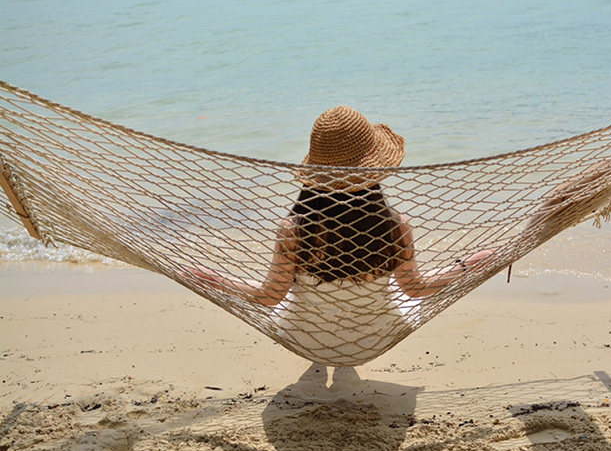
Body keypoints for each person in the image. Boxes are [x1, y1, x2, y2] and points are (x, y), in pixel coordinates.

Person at [186, 106, 495, 365]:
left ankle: (321, 356)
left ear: (314, 172)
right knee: (392, 292)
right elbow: (415, 288)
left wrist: (216, 280)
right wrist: (468, 265)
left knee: (299, 298)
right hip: (374, 339)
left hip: (307, 341)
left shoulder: (293, 230)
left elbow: (269, 296)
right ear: (374, 170)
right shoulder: (395, 226)